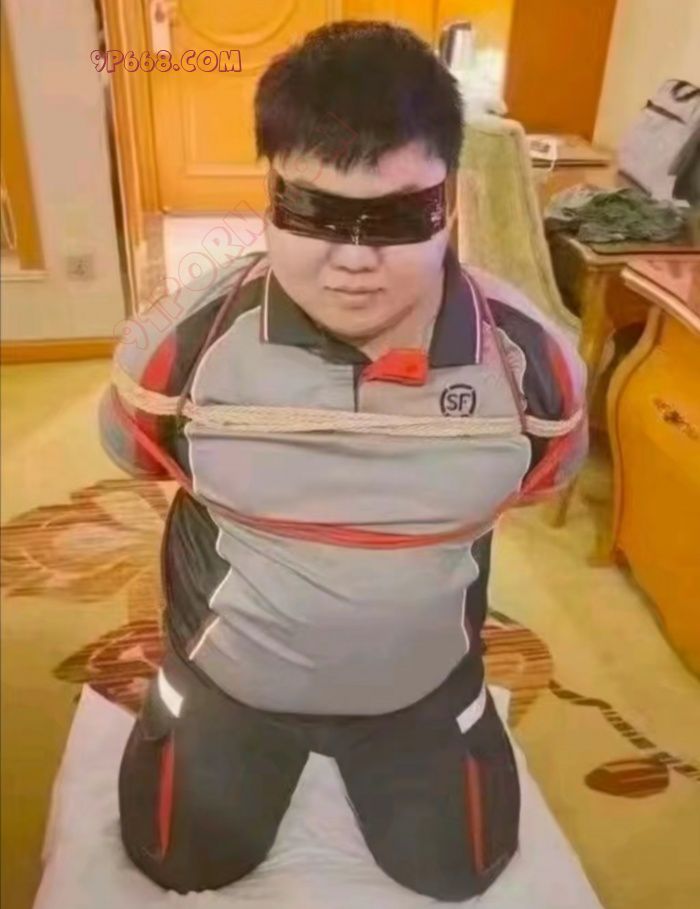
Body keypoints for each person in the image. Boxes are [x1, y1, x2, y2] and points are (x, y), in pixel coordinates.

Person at [99, 20, 587, 902]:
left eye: (396, 218)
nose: (354, 260)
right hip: (234, 678)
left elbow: (538, 478)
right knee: (176, 860)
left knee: (462, 871)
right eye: (317, 212)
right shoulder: (175, 354)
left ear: (451, 204)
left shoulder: (537, 372)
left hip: (421, 687)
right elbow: (141, 457)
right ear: (268, 200)